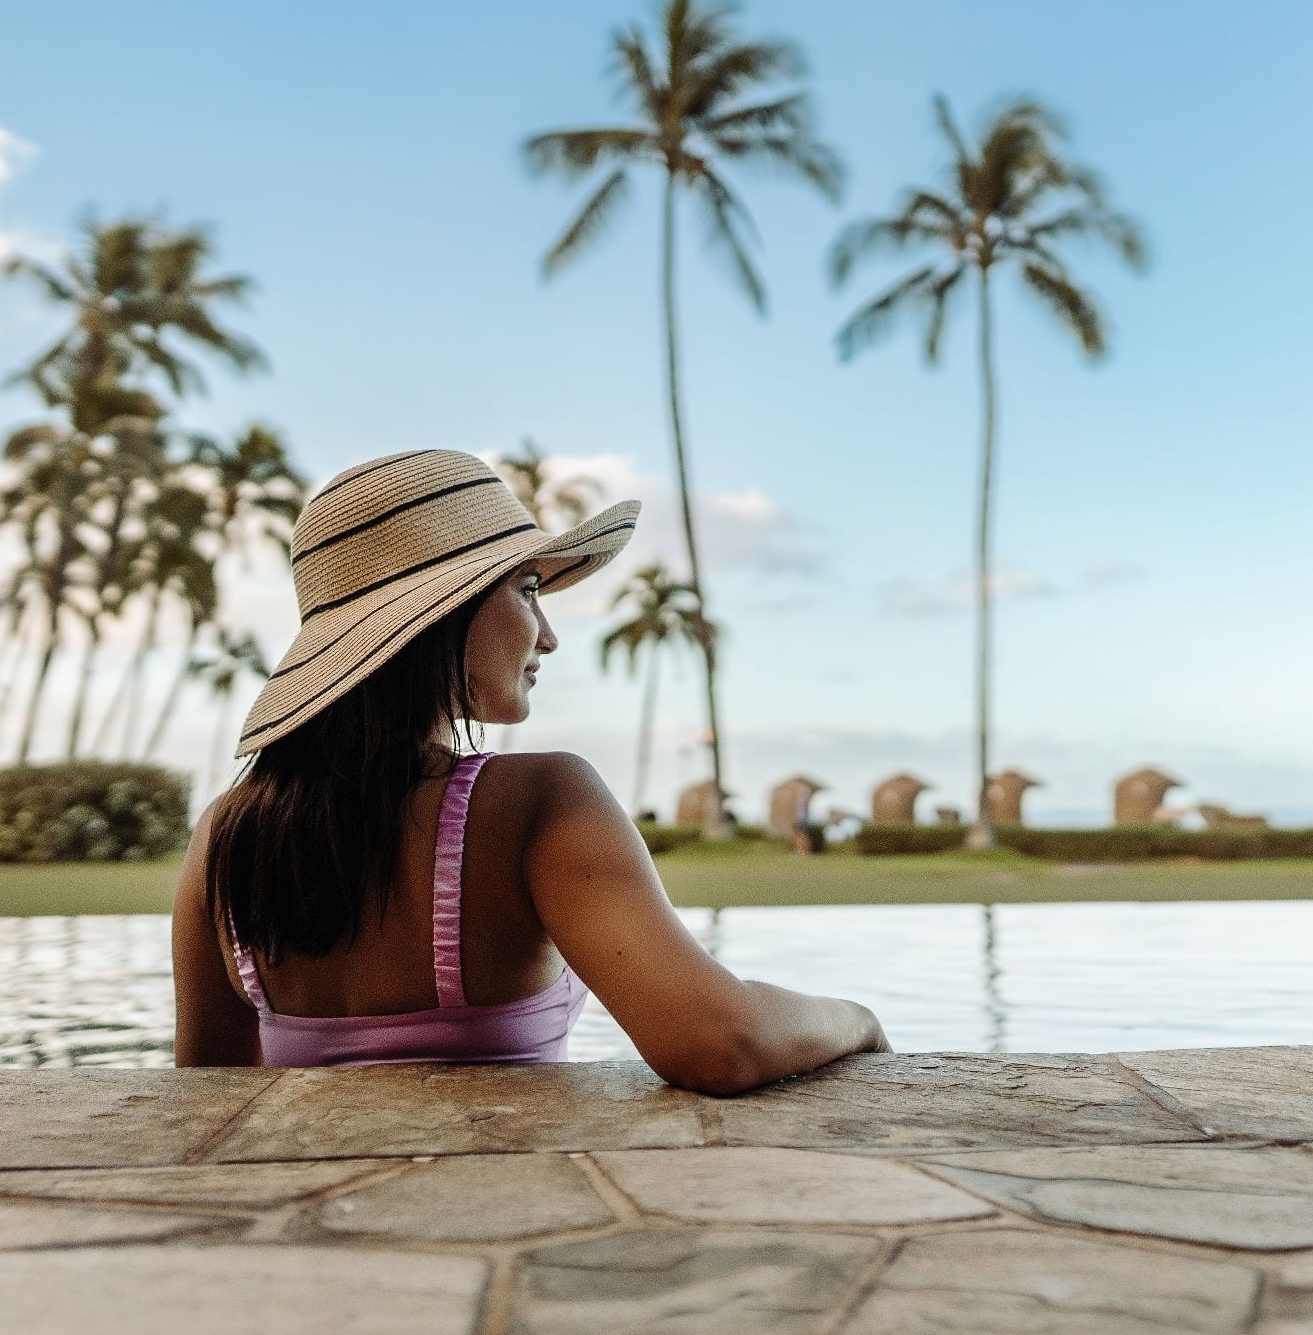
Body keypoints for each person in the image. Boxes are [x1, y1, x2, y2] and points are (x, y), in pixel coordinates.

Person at [171, 448, 887, 1091]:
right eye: (527, 589)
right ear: (438, 615)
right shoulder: (538, 801)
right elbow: (719, 1042)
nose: (547, 634)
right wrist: (856, 1019)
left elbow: (210, 1099)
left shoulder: (227, 836)